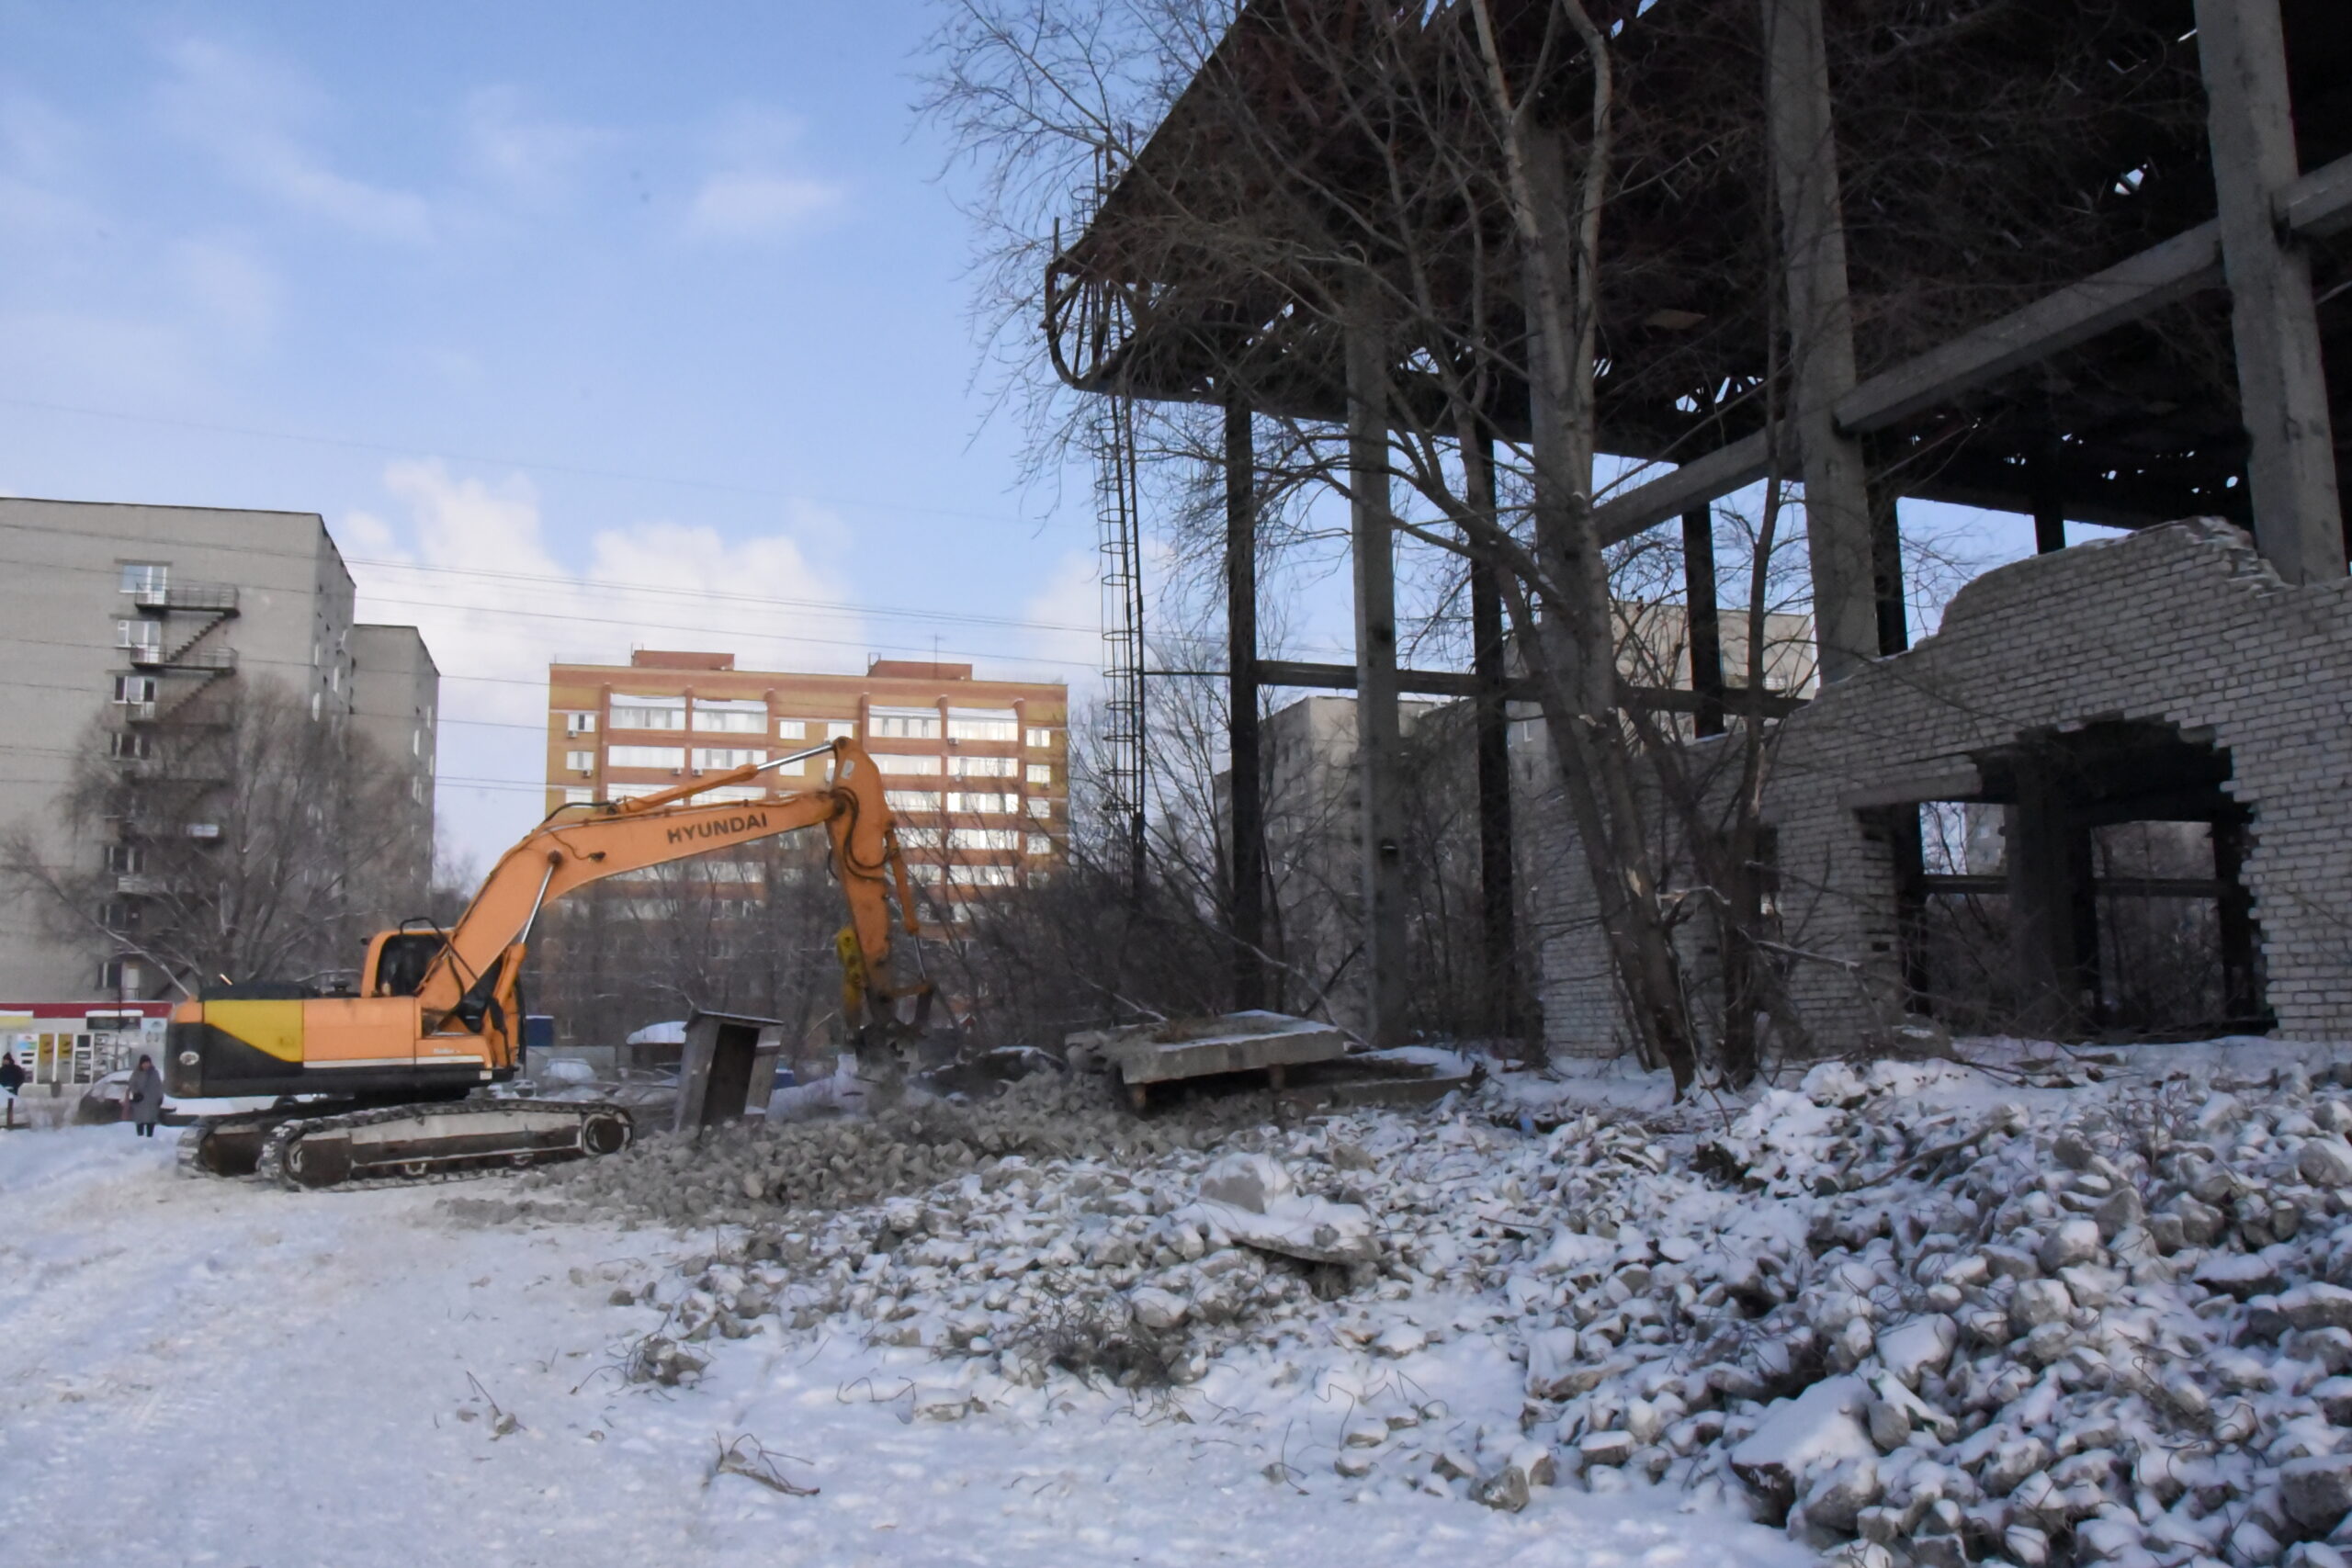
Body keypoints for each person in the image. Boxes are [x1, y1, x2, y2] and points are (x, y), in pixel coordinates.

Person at [125, 1053, 165, 1138]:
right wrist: (136, 1093)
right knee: (140, 1121)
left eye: (148, 1063)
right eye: (144, 1063)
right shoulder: (136, 1073)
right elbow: (132, 1084)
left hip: (152, 1101)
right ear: (141, 1064)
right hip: (141, 1102)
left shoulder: (155, 1073)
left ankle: (150, 1138)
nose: (146, 1065)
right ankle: (140, 1137)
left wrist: (160, 1097)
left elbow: (159, 1086)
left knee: (151, 1121)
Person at [1, 1049, 23, 1132]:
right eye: (4, 1060)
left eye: (6, 1060)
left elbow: (21, 1078)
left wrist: (16, 1086)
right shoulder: (2, 1069)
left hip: (12, 1089)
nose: (5, 1062)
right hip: (3, 1090)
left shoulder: (16, 1069)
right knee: (4, 1105)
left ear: (9, 1060)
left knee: (12, 1105)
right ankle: (7, 1119)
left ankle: (10, 1120)